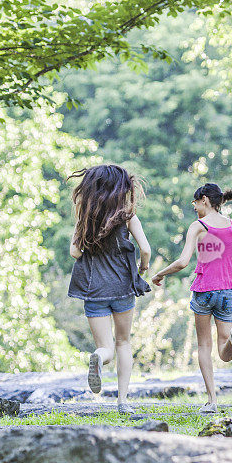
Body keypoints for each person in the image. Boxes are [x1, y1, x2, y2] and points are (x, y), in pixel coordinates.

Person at [151, 182, 232, 415]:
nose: (194, 207)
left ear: (204, 199)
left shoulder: (198, 226)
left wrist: (159, 274)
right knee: (224, 353)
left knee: (204, 345)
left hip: (205, 291)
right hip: (228, 292)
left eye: (195, 202)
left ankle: (212, 400)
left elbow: (183, 262)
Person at [67, 164, 152, 415]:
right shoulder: (127, 216)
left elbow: (74, 252)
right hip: (123, 289)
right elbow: (145, 249)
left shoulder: (86, 216)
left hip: (94, 292)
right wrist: (142, 268)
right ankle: (123, 401)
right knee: (123, 343)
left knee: (106, 347)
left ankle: (98, 358)